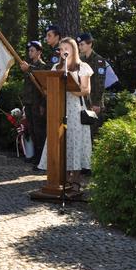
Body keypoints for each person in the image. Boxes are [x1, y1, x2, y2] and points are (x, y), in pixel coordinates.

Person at [37, 37, 93, 190]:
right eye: (61, 49)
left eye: (66, 48)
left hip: (75, 110)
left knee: (75, 142)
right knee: (59, 141)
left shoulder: (83, 67)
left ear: (73, 50)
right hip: (58, 109)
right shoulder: (56, 67)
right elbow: (49, 88)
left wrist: (70, 88)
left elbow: (86, 90)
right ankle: (59, 179)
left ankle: (75, 179)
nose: (63, 51)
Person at [20, 41, 47, 165]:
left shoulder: (43, 66)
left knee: (39, 131)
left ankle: (41, 157)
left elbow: (44, 86)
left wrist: (43, 104)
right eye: (29, 51)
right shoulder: (29, 66)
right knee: (31, 130)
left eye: (32, 50)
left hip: (38, 104)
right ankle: (35, 155)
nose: (30, 53)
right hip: (29, 103)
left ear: (39, 52)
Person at [77, 32, 107, 137]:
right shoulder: (81, 60)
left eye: (82, 44)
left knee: (95, 133)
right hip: (84, 101)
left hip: (95, 102)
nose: (80, 47)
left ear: (90, 44)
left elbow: (100, 83)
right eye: (79, 44)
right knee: (85, 133)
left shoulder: (98, 60)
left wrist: (97, 103)